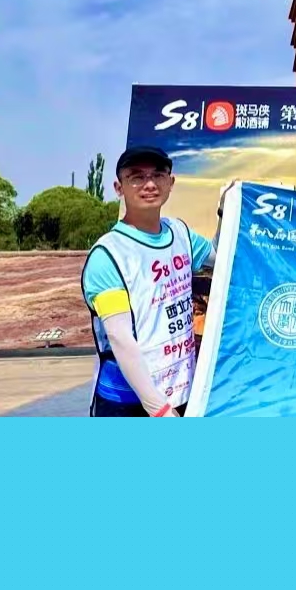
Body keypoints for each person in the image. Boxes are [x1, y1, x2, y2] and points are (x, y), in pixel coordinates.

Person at [81, 146, 216, 417]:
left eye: (158, 175)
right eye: (137, 177)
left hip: (181, 391)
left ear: (171, 183)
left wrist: (228, 210)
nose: (150, 184)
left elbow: (221, 257)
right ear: (119, 188)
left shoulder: (180, 233)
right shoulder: (108, 256)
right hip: (128, 402)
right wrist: (158, 408)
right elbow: (120, 337)